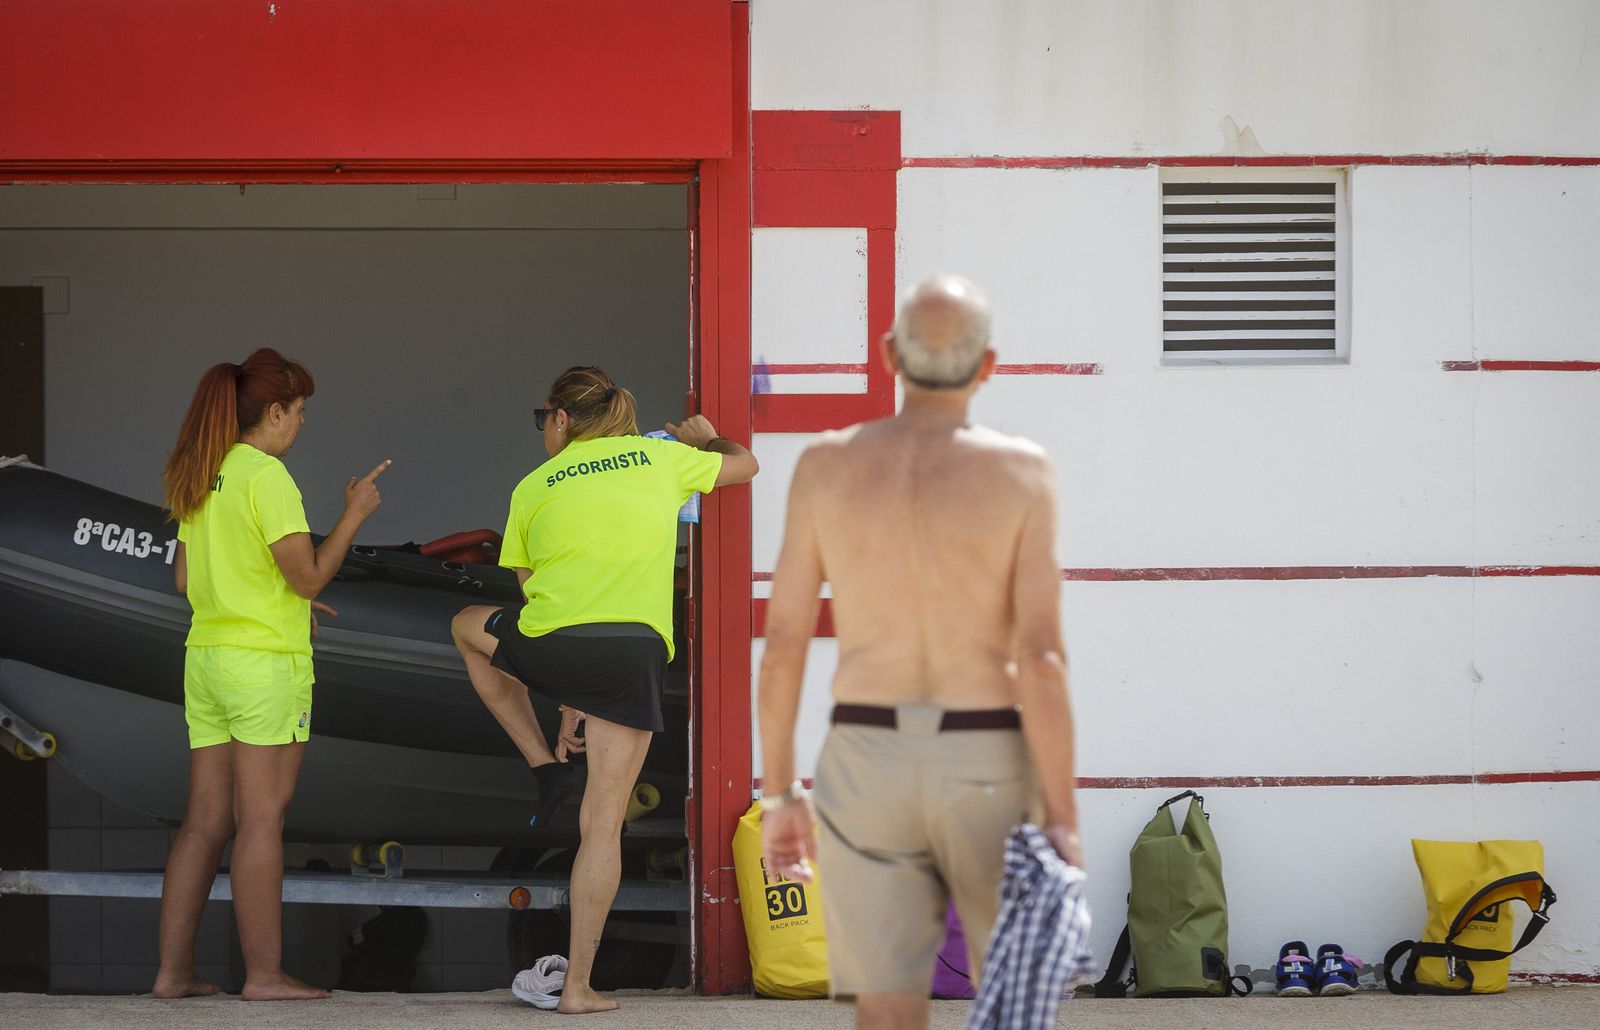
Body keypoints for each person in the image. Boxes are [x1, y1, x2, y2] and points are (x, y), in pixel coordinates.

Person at [758, 275, 1082, 1030]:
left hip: (866, 755)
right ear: (989, 365)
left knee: (887, 1006)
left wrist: (778, 796)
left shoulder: (825, 466)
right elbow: (1042, 659)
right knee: (1009, 998)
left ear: (887, 357)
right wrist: (1062, 814)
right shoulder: (1022, 473)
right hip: (986, 757)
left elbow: (782, 645)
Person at [451, 365, 758, 1014]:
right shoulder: (661, 458)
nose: (544, 430)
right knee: (603, 825)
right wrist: (706, 439)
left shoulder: (532, 487)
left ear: (563, 419)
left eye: (544, 419)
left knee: (464, 627)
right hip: (632, 653)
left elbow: (543, 596)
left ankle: (542, 766)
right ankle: (580, 989)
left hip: (559, 646)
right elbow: (745, 466)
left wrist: (566, 694)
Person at [153, 348, 389, 1001]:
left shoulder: (204, 471)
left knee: (204, 820)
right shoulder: (267, 477)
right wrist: (354, 514)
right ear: (272, 411)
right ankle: (263, 976)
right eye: (299, 410)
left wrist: (277, 595)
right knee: (261, 820)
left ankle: (171, 974)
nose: (303, 423)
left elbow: (184, 577)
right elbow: (309, 572)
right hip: (264, 668)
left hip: (206, 661)